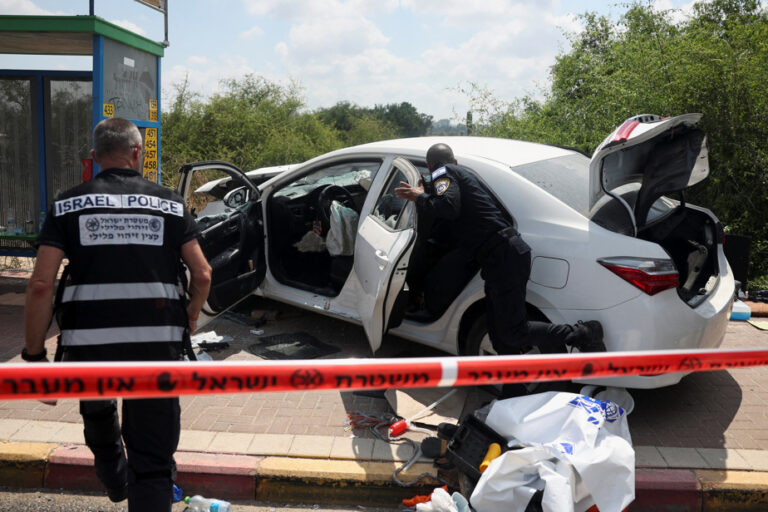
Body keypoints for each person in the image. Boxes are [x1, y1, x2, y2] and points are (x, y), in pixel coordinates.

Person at [23, 117, 212, 511]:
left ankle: (114, 478)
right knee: (155, 464)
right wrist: (191, 317)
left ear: (94, 157)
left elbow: (40, 285)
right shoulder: (171, 204)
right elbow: (203, 273)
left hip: (89, 351)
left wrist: (35, 356)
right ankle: (139, 488)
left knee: (99, 411)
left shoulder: (66, 204)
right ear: (137, 153)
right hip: (156, 353)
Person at [394, 143, 605, 366]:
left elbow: (448, 207)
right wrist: (426, 194)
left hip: (504, 257)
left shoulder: (441, 171)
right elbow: (454, 209)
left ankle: (582, 333)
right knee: (498, 336)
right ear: (455, 160)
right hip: (500, 257)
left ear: (430, 165)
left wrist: (419, 196)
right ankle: (513, 392)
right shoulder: (461, 175)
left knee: (513, 332)